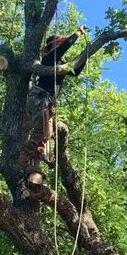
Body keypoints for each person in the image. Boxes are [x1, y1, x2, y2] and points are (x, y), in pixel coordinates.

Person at [22, 24, 88, 174]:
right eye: (59, 46)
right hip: (40, 98)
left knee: (46, 134)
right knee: (42, 133)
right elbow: (65, 46)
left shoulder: (61, 66)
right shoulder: (48, 59)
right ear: (54, 47)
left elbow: (75, 71)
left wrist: (85, 55)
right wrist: (78, 33)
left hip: (44, 101)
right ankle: (25, 158)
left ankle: (34, 164)